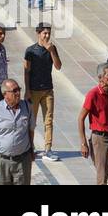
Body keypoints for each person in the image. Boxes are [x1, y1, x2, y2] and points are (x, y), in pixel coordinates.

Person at [22, 24, 62, 162]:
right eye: (44, 33)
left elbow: (58, 66)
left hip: (47, 90)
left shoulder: (52, 48)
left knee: (48, 120)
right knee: (31, 121)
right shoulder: (30, 50)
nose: (47, 36)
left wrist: (51, 51)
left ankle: (48, 149)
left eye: (49, 33)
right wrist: (26, 90)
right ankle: (29, 147)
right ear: (38, 33)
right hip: (33, 90)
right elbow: (26, 71)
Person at [0, 79, 33, 185]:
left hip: (23, 160)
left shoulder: (27, 107)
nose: (18, 93)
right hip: (2, 161)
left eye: (18, 89)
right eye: (14, 91)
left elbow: (30, 131)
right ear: (5, 94)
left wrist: (32, 150)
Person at [79, 63, 108, 185]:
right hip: (100, 139)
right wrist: (83, 143)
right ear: (101, 78)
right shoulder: (93, 94)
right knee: (102, 176)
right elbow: (81, 118)